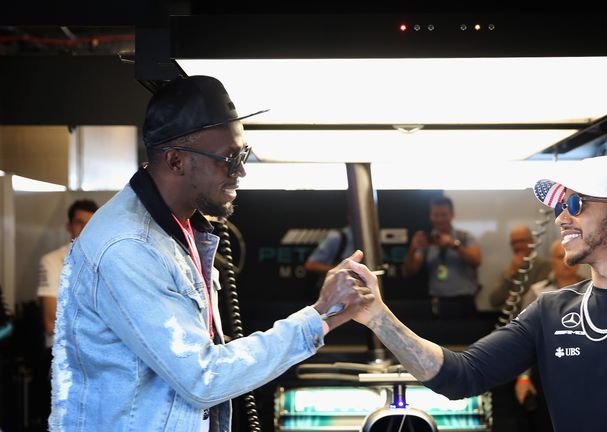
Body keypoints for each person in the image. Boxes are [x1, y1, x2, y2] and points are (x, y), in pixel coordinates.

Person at [49, 75, 373, 431]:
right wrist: (319, 314)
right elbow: (202, 378)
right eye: (230, 159)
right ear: (175, 161)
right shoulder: (129, 247)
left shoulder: (182, 227)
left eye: (244, 154)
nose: (242, 171)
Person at [349, 156, 607, 431]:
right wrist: (378, 316)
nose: (562, 217)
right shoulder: (548, 309)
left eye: (576, 203)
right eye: (560, 205)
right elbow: (462, 376)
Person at [512, 240, 584, 432]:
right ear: (552, 261)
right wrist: (523, 378)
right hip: (546, 372)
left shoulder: (594, 289)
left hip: (585, 372)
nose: (567, 261)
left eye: (572, 254)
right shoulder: (537, 293)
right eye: (560, 257)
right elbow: (523, 340)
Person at [403, 196, 482, 318]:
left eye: (444, 214)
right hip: (438, 304)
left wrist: (454, 245)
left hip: (464, 302)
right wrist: (413, 248)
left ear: (451, 215)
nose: (439, 219)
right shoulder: (427, 241)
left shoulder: (464, 237)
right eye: (436, 214)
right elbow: (410, 270)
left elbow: (476, 261)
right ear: (431, 215)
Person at [38, 199, 99, 348]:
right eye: (79, 222)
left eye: (90, 223)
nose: (85, 228)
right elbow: (52, 321)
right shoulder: (51, 261)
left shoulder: (105, 260)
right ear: (68, 226)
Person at [489, 225, 552, 310]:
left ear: (531, 241)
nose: (518, 246)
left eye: (521, 241)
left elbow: (536, 299)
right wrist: (510, 274)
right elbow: (494, 301)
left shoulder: (544, 266)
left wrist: (511, 298)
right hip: (512, 321)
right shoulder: (510, 269)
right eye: (514, 242)